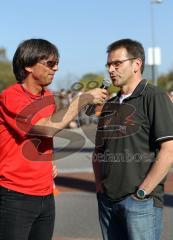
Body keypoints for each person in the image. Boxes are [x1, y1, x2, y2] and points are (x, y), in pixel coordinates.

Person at [0, 38, 107, 240]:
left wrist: (46, 163)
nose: (56, 68)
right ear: (28, 66)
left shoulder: (48, 97)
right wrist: (81, 100)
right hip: (15, 194)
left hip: (45, 193)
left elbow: (41, 140)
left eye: (57, 63)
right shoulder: (11, 96)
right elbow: (45, 129)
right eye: (50, 63)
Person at [92, 38, 173, 240]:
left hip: (140, 202)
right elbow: (98, 151)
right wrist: (99, 185)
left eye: (117, 64)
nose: (111, 70)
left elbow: (168, 150)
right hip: (108, 202)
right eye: (109, 65)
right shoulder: (109, 105)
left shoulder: (154, 97)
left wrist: (142, 193)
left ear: (136, 64)